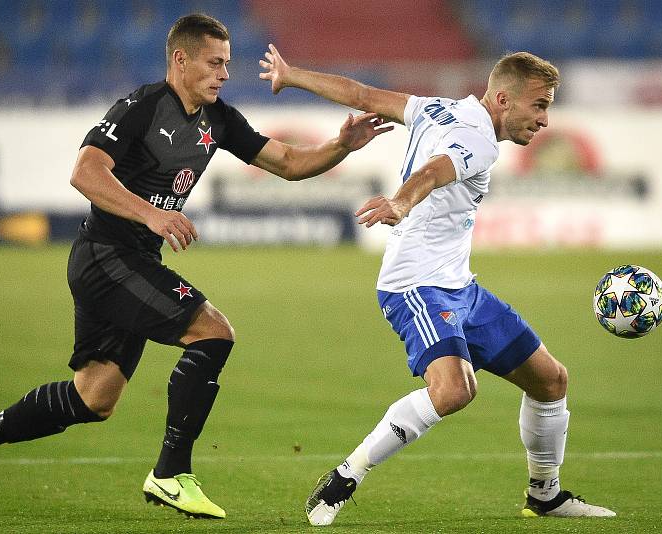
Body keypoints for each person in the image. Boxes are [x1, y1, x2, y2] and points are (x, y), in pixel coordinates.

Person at [0, 14, 390, 519]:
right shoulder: (140, 108)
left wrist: (341, 144)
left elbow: (288, 163)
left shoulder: (219, 119)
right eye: (215, 63)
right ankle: (171, 474)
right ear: (181, 60)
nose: (224, 74)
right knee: (213, 332)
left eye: (227, 64)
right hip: (106, 255)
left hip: (131, 260)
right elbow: (85, 171)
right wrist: (153, 213)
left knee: (93, 399)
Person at [259, 45, 616, 525]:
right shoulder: (480, 141)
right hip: (416, 284)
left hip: (458, 286)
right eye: (540, 105)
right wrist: (401, 204)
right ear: (504, 101)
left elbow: (361, 93)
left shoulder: (436, 107)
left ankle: (545, 495)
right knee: (453, 391)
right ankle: (346, 477)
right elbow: (433, 172)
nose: (546, 120)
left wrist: (291, 75)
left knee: (550, 380)